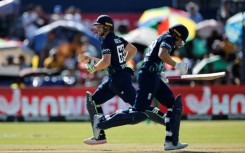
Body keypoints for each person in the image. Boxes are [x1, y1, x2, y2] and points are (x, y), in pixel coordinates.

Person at [92, 24, 189, 151]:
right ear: (177, 35)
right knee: (138, 114)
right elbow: (162, 54)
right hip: (149, 77)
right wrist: (177, 65)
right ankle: (101, 123)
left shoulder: (163, 37)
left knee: (174, 105)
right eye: (181, 39)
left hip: (154, 76)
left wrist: (159, 71)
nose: (180, 43)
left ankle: (171, 142)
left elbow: (154, 57)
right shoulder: (168, 38)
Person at [80, 15, 167, 145]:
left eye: (99, 27)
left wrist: (93, 68)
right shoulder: (117, 39)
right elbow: (133, 50)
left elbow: (105, 62)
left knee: (141, 108)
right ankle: (99, 136)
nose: (97, 29)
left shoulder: (107, 40)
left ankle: (168, 121)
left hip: (119, 80)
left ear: (107, 27)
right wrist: (121, 63)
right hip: (115, 78)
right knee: (93, 101)